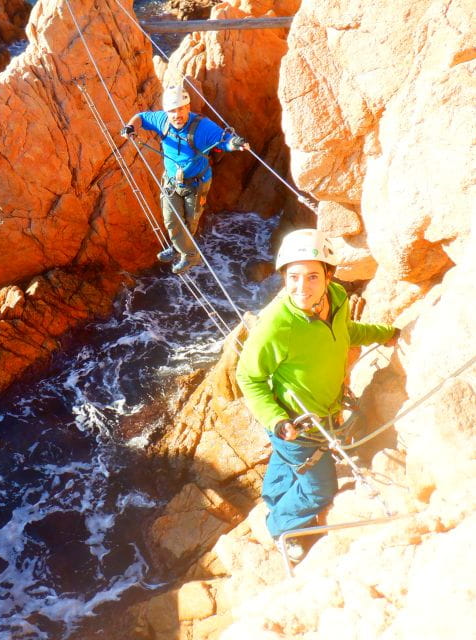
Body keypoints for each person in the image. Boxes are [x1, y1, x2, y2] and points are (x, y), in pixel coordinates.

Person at [235, 229, 399, 561]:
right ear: (283, 277)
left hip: (321, 411)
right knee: (320, 489)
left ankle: (275, 497)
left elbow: (346, 330)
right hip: (296, 424)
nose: (302, 287)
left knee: (285, 461)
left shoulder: (337, 299)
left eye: (312, 276)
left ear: (329, 276)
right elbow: (248, 377)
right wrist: (278, 420)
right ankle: (282, 527)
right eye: (293, 277)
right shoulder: (276, 325)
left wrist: (385, 334)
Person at [121, 85, 249, 274]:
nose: (177, 114)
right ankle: (189, 255)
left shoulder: (202, 127)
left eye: (181, 108)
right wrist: (131, 126)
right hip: (172, 182)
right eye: (172, 110)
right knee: (172, 221)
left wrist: (235, 143)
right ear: (166, 112)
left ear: (188, 107)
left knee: (190, 222)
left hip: (197, 184)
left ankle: (180, 248)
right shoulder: (162, 120)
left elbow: (224, 139)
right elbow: (141, 117)